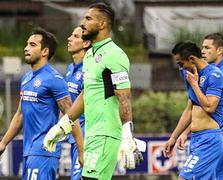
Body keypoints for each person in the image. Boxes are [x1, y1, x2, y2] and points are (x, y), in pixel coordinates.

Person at [43, 2, 143, 180]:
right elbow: (86, 93)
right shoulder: (89, 54)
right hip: (92, 133)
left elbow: (124, 97)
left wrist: (127, 135)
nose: (83, 23)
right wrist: (64, 124)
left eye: (88, 19)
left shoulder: (114, 54)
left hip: (105, 134)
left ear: (102, 24)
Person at [0, 27, 83, 180]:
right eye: (27, 44)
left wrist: (81, 151)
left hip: (44, 152)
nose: (26, 48)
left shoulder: (54, 79)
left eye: (32, 45)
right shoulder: (26, 78)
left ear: (45, 51)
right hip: (28, 152)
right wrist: (3, 143)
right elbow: (20, 115)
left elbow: (71, 116)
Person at [177, 33, 223, 179]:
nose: (203, 51)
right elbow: (199, 107)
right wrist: (185, 132)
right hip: (214, 133)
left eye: (207, 47)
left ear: (219, 50)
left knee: (220, 175)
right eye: (202, 47)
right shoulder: (203, 72)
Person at [164, 42, 223, 179]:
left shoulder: (214, 75)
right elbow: (190, 109)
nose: (180, 69)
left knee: (184, 178)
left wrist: (194, 85)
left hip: (210, 140)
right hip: (196, 139)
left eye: (181, 64)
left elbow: (210, 107)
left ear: (192, 59)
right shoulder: (189, 74)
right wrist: (173, 137)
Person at [65, 26, 91, 180]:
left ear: (86, 43)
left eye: (75, 36)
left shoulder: (90, 69)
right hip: (74, 136)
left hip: (86, 136)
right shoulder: (70, 69)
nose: (69, 38)